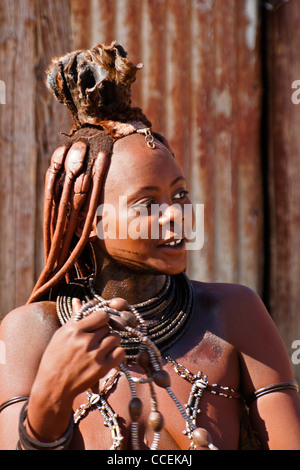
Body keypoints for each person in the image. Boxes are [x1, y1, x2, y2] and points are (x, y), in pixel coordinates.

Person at [0, 42, 299, 451]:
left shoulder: (234, 315)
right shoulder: (33, 334)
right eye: (146, 204)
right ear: (90, 221)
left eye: (180, 196)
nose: (175, 215)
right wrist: (49, 403)